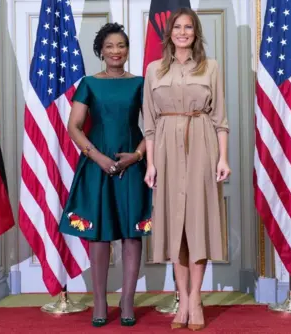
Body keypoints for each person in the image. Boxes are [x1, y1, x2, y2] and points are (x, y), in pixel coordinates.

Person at [143, 7, 231, 331]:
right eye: (177, 27)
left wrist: (223, 159)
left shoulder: (212, 68)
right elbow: (149, 124)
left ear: (196, 33)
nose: (183, 32)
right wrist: (150, 164)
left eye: (189, 27)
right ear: (169, 33)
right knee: (174, 228)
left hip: (202, 147)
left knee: (198, 225)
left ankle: (195, 298)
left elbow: (221, 119)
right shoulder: (154, 70)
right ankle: (181, 297)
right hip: (165, 151)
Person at [59, 23, 152, 327]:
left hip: (132, 165)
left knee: (131, 232)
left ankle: (127, 301)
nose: (116, 51)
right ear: (100, 50)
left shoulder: (140, 83)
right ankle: (100, 301)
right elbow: (74, 125)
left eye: (121, 45)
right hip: (97, 167)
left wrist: (137, 156)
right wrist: (98, 157)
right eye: (110, 46)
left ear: (127, 50)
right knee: (98, 235)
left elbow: (152, 127)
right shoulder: (89, 83)